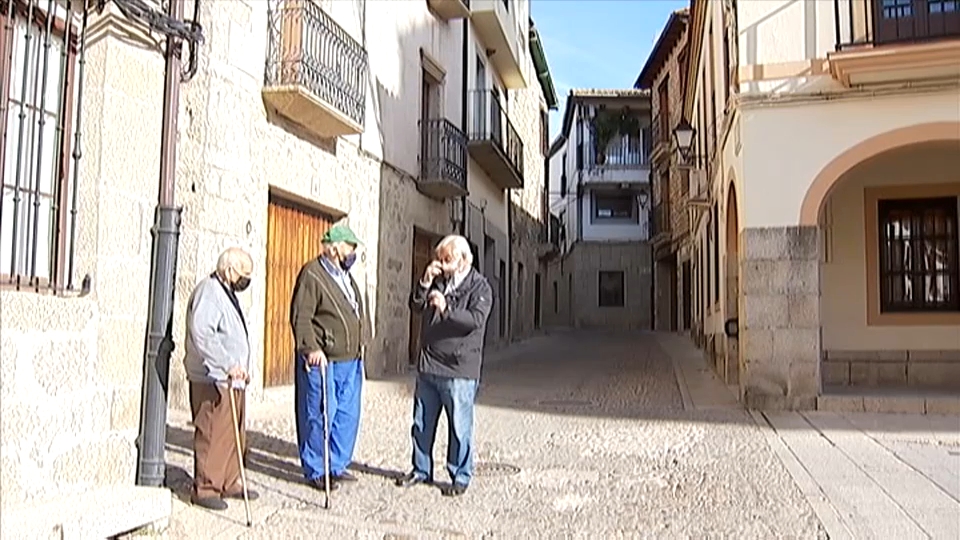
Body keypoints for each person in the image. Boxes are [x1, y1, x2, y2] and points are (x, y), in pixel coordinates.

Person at [397, 234, 493, 497]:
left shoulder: (480, 288)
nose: (441, 263)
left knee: (459, 427)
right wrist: (425, 281)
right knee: (421, 423)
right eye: (439, 258)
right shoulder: (437, 281)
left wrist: (446, 306)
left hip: (458, 369)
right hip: (429, 365)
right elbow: (415, 306)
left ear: (464, 260)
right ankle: (420, 470)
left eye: (447, 259)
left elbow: (474, 319)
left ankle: (460, 476)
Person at [290, 224, 366, 492]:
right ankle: (315, 468)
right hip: (324, 359)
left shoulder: (346, 276)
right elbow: (301, 316)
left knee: (346, 414)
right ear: (335, 248)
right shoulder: (313, 274)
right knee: (319, 412)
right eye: (350, 247)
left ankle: (336, 464)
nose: (353, 253)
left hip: (351, 358)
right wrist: (310, 348)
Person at [183, 247, 259, 511]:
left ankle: (229, 481)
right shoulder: (210, 292)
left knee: (232, 431)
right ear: (229, 270)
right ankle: (206, 487)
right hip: (213, 377)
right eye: (244, 274)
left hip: (232, 379)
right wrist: (227, 363)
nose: (246, 280)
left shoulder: (226, 293)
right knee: (213, 431)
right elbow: (202, 333)